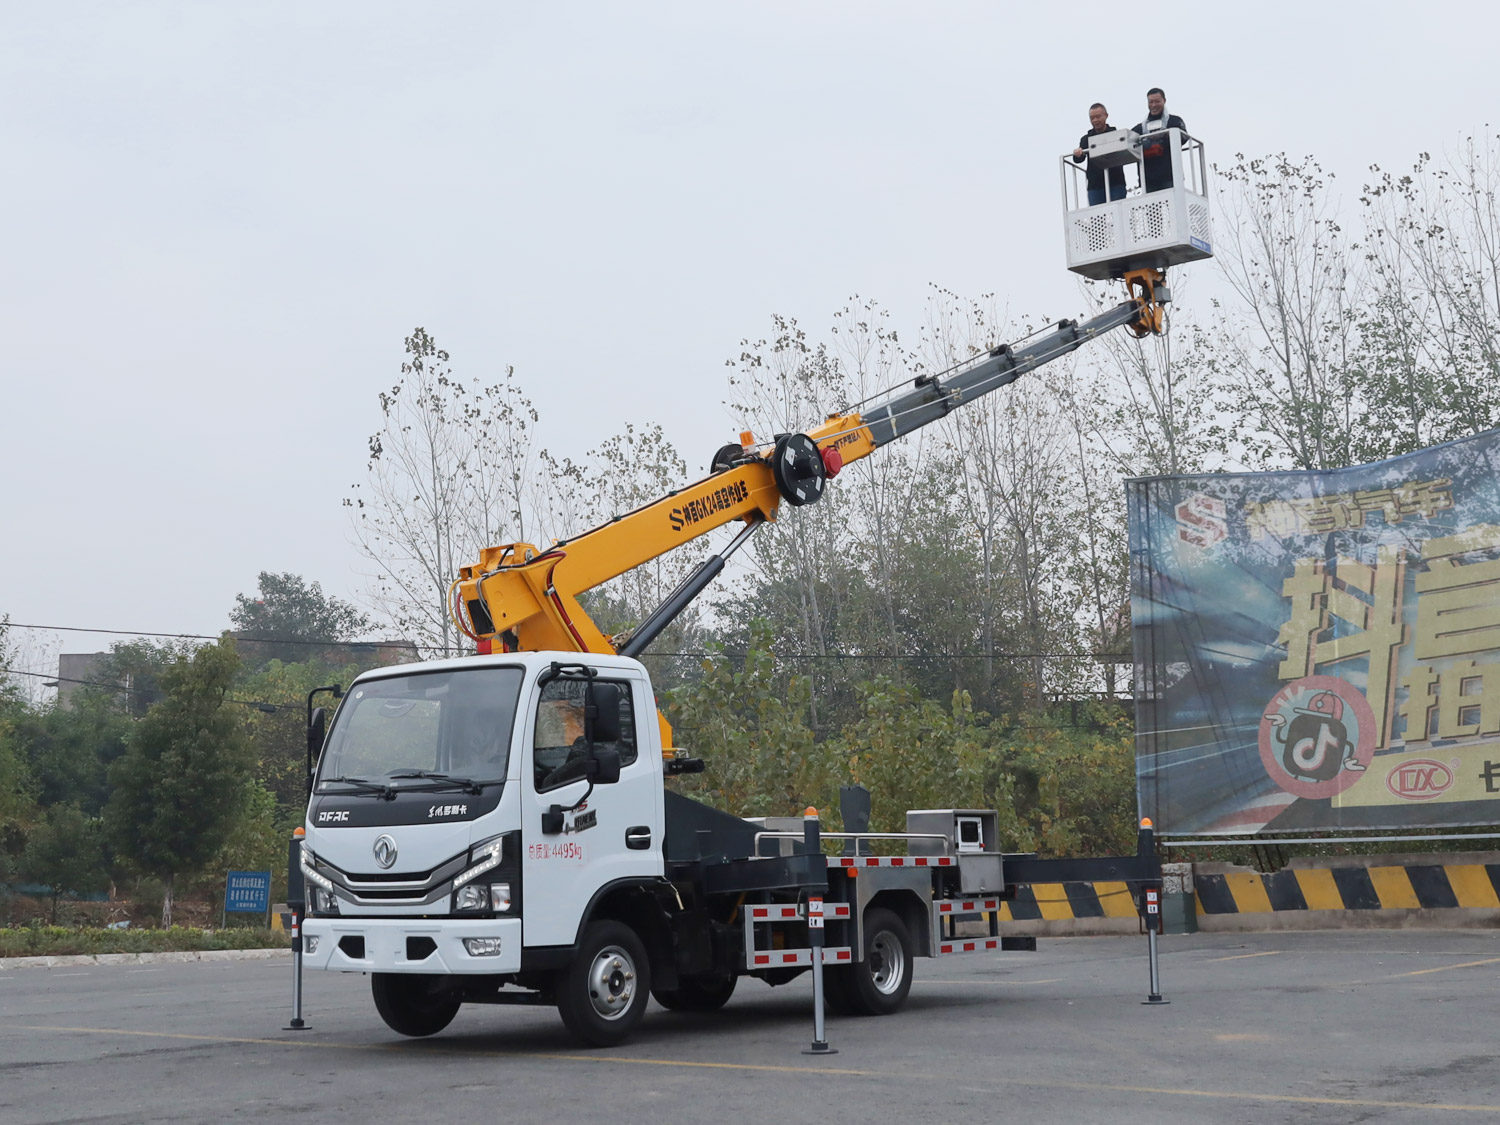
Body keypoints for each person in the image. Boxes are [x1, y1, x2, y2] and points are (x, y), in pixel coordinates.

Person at [1131, 88, 1188, 193]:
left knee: (1173, 208)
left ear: (1164, 101)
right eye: (1151, 102)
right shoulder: (1140, 128)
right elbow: (1129, 142)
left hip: (1170, 176)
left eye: (1157, 101)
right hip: (1148, 179)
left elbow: (1184, 138)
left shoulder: (1174, 121)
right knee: (1150, 209)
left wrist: (1163, 141)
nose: (1154, 105)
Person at [1071, 102, 1127, 206]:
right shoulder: (1086, 139)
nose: (1095, 120)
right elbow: (1078, 159)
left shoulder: (1115, 134)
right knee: (1097, 219)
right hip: (1095, 185)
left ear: (1106, 116)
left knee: (1118, 214)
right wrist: (1078, 153)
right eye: (1092, 118)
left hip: (1116, 182)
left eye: (1098, 116)